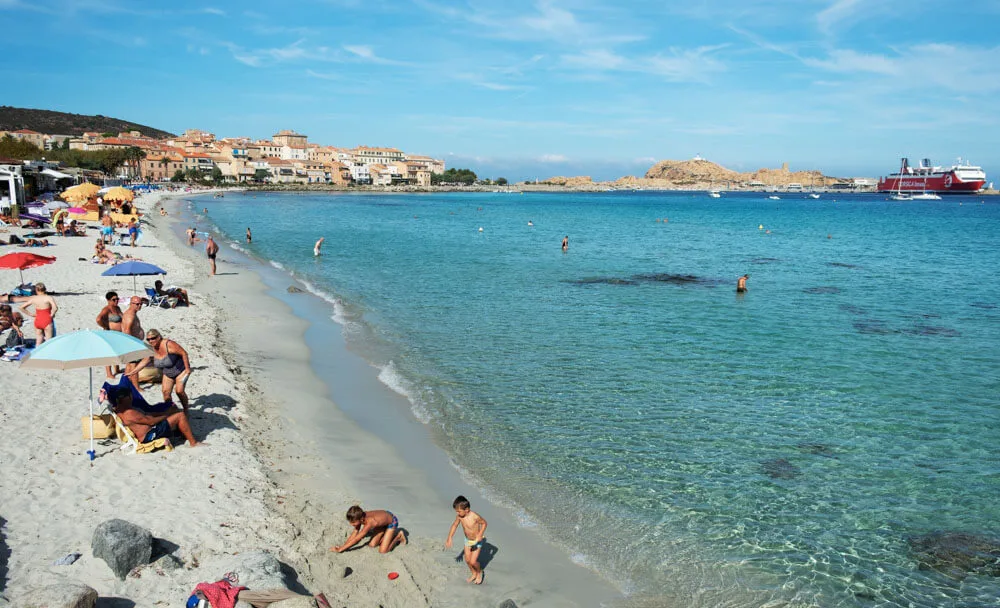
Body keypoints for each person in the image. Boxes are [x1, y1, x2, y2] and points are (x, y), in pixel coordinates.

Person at [128, 329, 193, 410]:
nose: (151, 341)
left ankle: (186, 409)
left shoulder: (168, 344)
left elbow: (184, 353)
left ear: (159, 337)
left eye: (153, 338)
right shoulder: (151, 349)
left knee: (179, 391)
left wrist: (187, 369)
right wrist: (132, 372)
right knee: (166, 393)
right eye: (148, 339)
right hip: (168, 372)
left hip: (180, 370)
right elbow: (144, 362)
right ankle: (170, 409)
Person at [113, 389, 200, 447]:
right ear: (127, 398)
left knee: (172, 412)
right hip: (149, 435)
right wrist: (166, 415)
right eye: (130, 396)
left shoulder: (119, 409)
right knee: (180, 415)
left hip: (148, 431)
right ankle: (193, 443)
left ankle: (183, 435)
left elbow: (147, 415)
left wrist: (163, 413)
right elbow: (151, 422)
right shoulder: (130, 412)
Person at [445, 495, 488, 584]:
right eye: (456, 511)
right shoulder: (460, 517)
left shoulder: (475, 516)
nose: (457, 513)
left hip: (476, 541)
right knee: (467, 560)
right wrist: (449, 537)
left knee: (473, 561)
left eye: (458, 511)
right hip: (467, 541)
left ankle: (479, 572)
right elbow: (454, 525)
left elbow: (484, 523)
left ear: (466, 509)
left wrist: (480, 534)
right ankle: (474, 573)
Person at [330, 505, 405, 554]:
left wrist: (340, 550)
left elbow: (357, 539)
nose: (351, 524)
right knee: (372, 545)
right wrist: (343, 546)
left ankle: (398, 536)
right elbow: (355, 533)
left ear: (361, 519)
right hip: (381, 522)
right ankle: (385, 533)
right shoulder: (359, 516)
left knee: (383, 551)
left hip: (391, 521)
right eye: (350, 522)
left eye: (353, 522)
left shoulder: (369, 522)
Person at [96, 291, 124, 378]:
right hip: (110, 334)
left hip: (118, 334)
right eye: (114, 299)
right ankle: (109, 373)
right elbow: (98, 319)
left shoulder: (118, 308)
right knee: (109, 353)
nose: (116, 301)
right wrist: (106, 326)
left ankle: (117, 368)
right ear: (108, 300)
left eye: (117, 299)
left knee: (117, 351)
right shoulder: (106, 309)